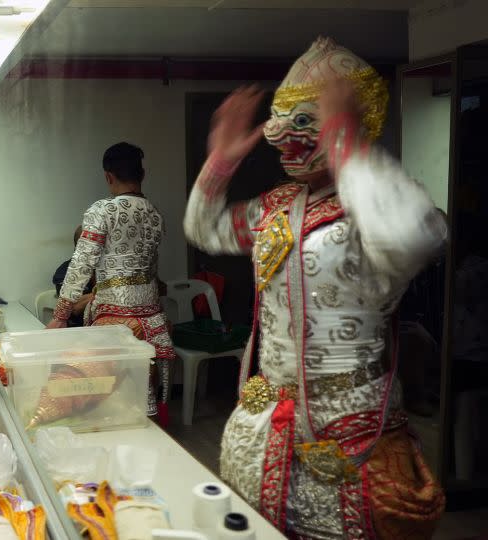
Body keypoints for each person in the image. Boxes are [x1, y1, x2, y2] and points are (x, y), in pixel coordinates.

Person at [184, 37, 445, 538]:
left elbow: (409, 239)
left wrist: (347, 145)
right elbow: (205, 229)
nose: (281, 136)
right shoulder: (279, 204)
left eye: (305, 121)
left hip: (350, 420)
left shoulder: (382, 202)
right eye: (280, 122)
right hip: (266, 416)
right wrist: (219, 162)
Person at [47, 142, 176, 427]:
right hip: (152, 317)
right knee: (145, 392)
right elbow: (152, 269)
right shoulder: (155, 214)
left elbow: (82, 263)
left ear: (109, 176)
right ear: (142, 173)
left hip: (114, 316)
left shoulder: (102, 210)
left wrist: (60, 315)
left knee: (106, 398)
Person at [51, 226, 95, 327]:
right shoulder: (65, 271)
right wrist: (105, 293)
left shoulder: (108, 270)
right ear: (78, 247)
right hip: (77, 329)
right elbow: (74, 307)